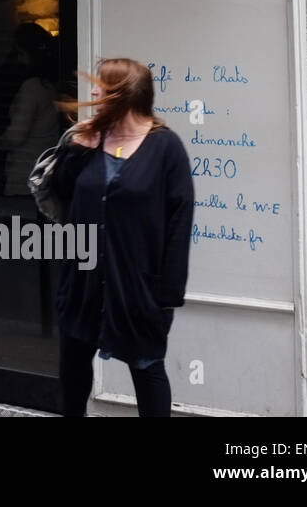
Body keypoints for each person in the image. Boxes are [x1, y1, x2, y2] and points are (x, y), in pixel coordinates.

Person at [52, 58, 194, 416]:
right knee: (72, 372)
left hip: (137, 286)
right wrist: (78, 146)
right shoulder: (91, 138)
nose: (94, 92)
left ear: (123, 94)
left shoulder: (166, 148)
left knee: (147, 369)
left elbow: (179, 222)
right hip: (83, 281)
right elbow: (62, 192)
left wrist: (166, 295)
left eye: (101, 85)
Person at [0, 23, 62, 196]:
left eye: (20, 54)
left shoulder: (31, 88)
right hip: (43, 169)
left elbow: (16, 136)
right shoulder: (49, 86)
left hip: (25, 172)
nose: (18, 60)